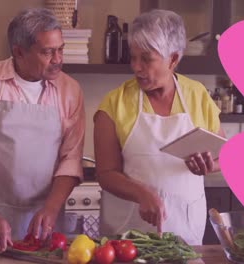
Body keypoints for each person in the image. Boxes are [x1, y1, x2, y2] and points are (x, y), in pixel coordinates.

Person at [0, 8, 85, 253]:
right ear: (18, 52)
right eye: (48, 51)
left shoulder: (70, 90)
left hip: (45, 217)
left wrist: (51, 208)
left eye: (61, 49)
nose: (58, 59)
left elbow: (71, 158)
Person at [94, 9, 225, 245]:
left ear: (173, 59)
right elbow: (105, 174)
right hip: (129, 234)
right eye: (133, 57)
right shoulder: (115, 103)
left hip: (186, 231)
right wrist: (142, 193)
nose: (136, 67)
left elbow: (224, 156)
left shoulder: (198, 96)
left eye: (146, 58)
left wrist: (208, 166)